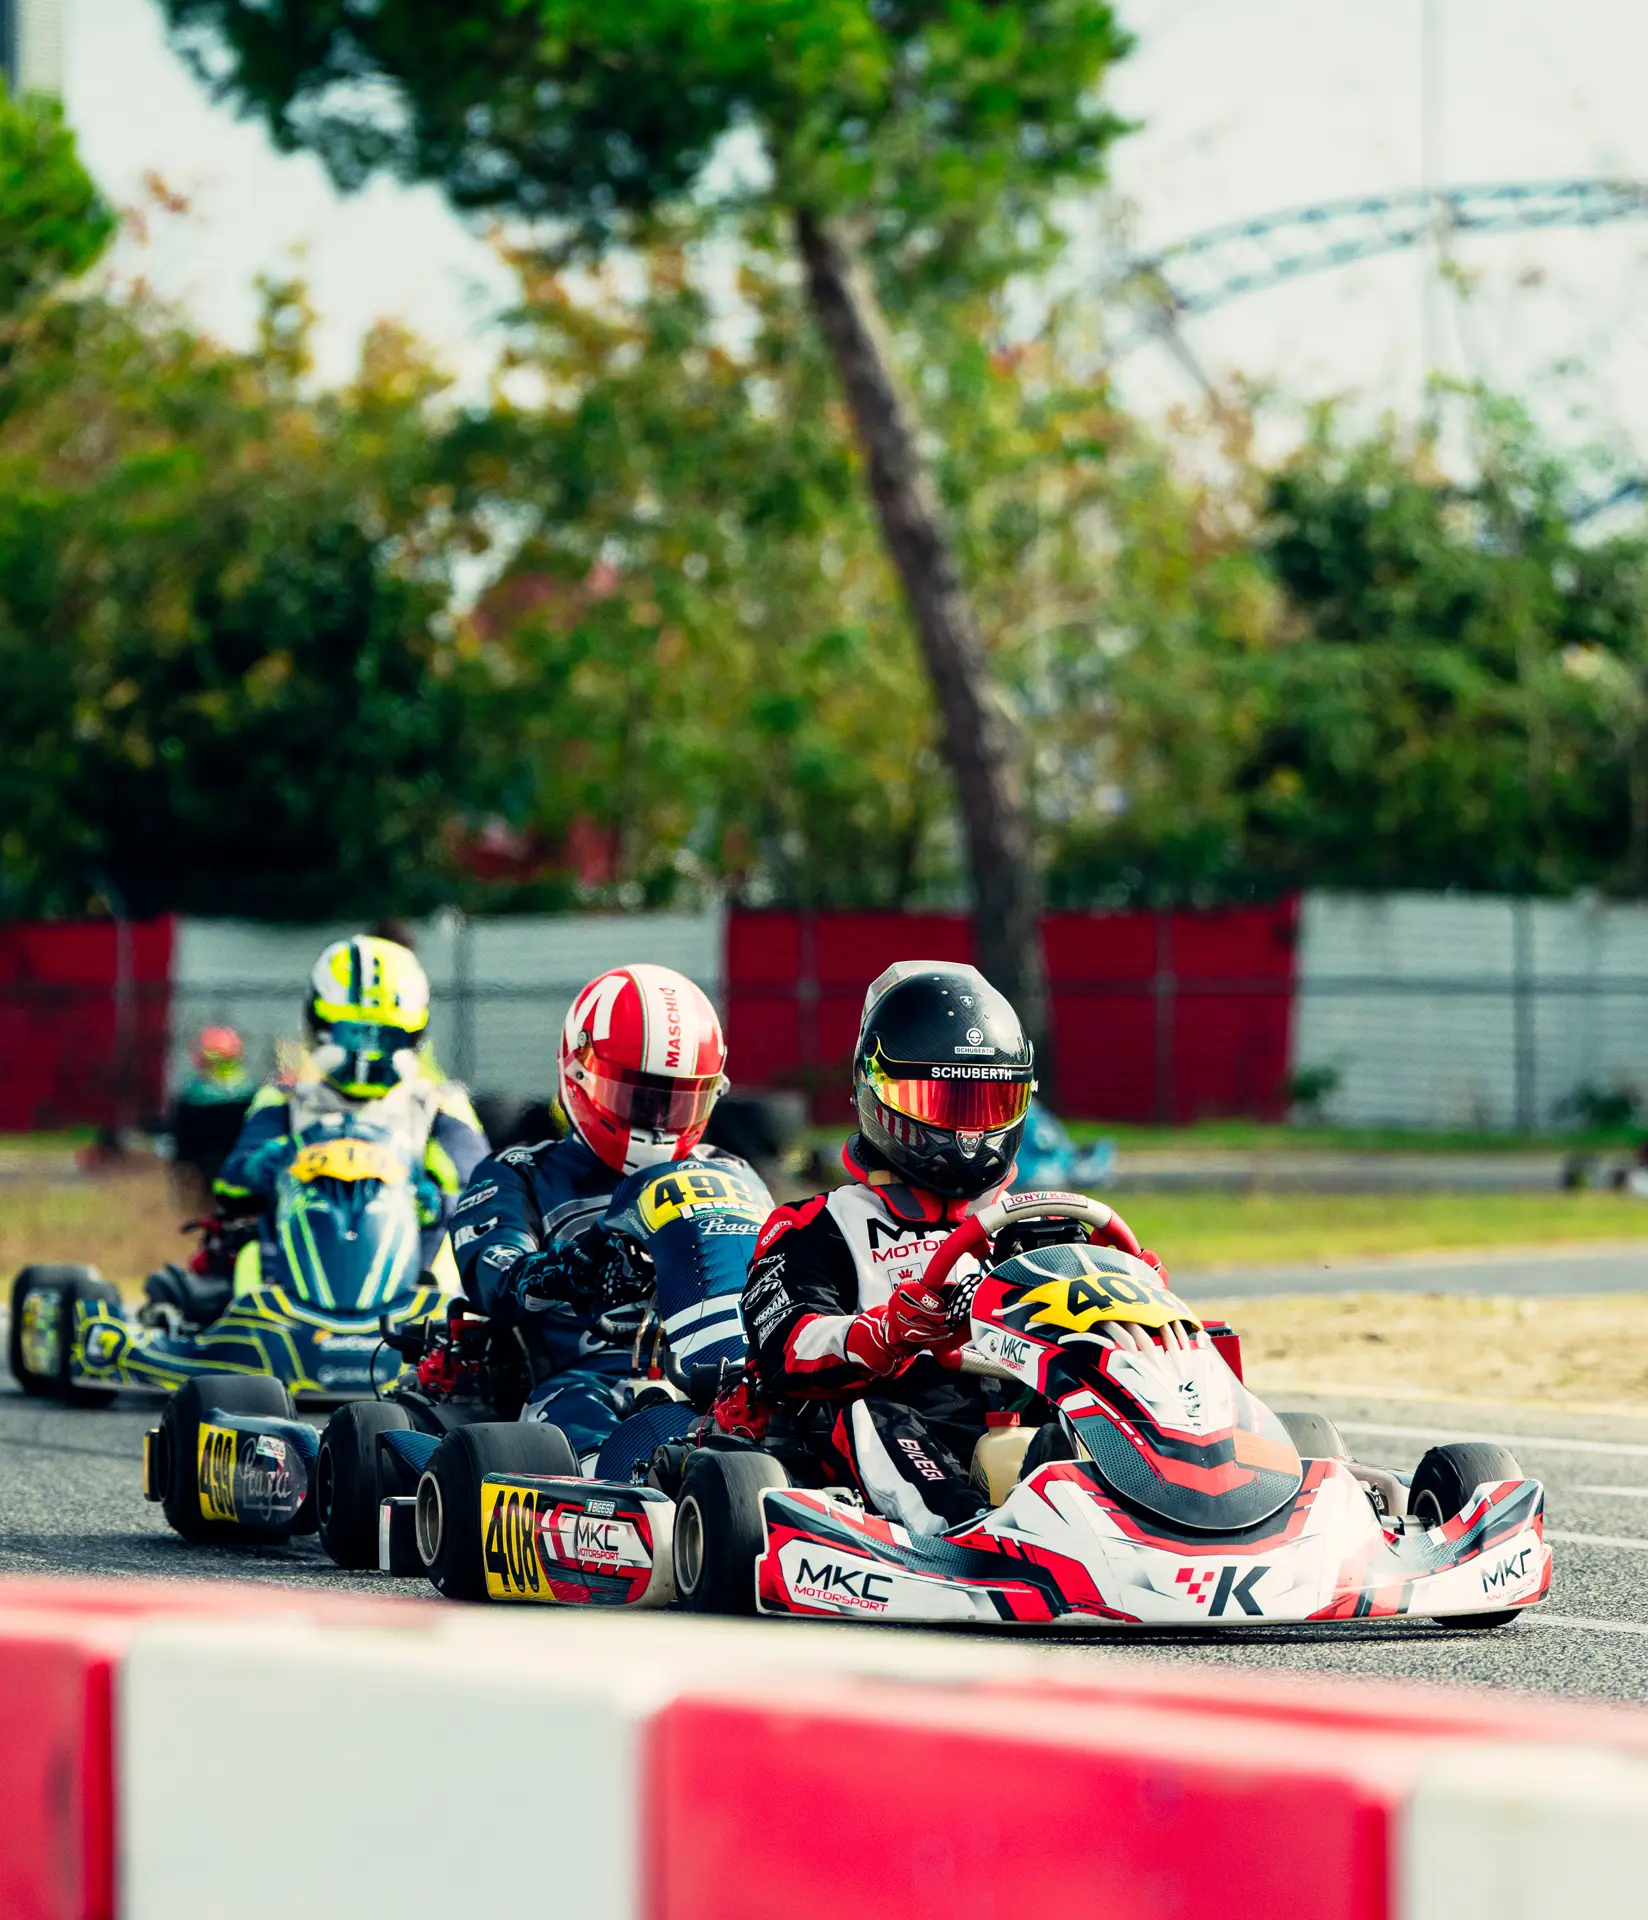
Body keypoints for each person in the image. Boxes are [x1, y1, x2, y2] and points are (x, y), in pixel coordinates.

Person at [738, 959, 1038, 1538]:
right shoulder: (816, 1225)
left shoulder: (1030, 1226)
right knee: (876, 1416)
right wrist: (884, 1333)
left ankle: (1174, 1507)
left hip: (1015, 1419)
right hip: (887, 1427)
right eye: (945, 1104)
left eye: (987, 1106)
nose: (970, 1133)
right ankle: (963, 1535)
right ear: (878, 1094)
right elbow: (785, 1346)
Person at [450, 962, 744, 1464]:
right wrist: (573, 1268)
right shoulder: (519, 1174)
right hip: (581, 1379)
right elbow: (495, 1276)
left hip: (716, 1378)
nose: (656, 1122)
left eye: (675, 1103)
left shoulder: (729, 1172)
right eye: (635, 1098)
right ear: (578, 1076)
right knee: (578, 1413)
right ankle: (616, 1485)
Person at [213, 934, 488, 1279]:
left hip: (415, 1283)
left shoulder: (438, 1107)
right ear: (320, 1027)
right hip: (292, 1280)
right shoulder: (285, 1102)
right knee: (246, 1259)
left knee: (456, 1260)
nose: (366, 1053)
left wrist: (435, 1201)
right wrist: (266, 1164)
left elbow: (484, 1197)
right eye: (353, 1034)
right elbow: (231, 1184)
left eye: (384, 1037)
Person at [168, 1024, 256, 1211]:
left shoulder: (191, 1095)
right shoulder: (251, 1092)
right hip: (228, 1154)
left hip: (209, 1155)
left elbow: (182, 1140)